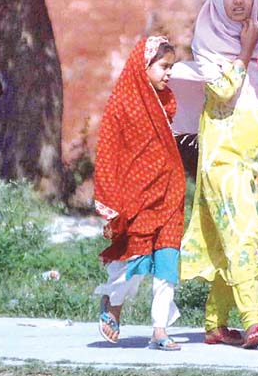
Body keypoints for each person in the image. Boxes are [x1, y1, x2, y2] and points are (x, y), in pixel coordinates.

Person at [167, 0, 258, 349]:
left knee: (233, 237)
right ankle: (253, 320)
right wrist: (245, 51)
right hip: (222, 152)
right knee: (242, 234)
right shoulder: (206, 41)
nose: (239, 1)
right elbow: (220, 92)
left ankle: (215, 324)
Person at [94, 35, 186, 351]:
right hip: (138, 197)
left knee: (167, 263)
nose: (168, 73)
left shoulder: (166, 102)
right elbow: (108, 152)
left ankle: (160, 329)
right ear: (142, 65)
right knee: (132, 263)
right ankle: (113, 303)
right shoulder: (121, 104)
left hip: (170, 192)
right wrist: (111, 200)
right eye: (163, 67)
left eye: (171, 67)